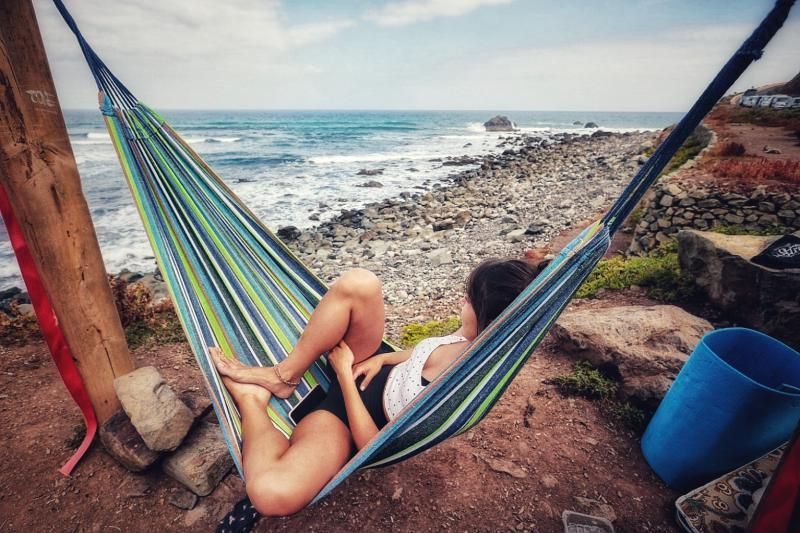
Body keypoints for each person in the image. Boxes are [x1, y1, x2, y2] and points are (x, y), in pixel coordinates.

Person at [211, 258, 544, 516]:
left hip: (352, 417)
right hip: (368, 366)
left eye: (468, 298)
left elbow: (373, 443)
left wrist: (343, 375)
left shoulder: (462, 382)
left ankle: (252, 401)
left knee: (272, 495)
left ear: (490, 316)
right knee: (360, 283)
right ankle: (285, 376)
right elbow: (425, 352)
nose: (462, 300)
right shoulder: (474, 339)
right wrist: (383, 360)